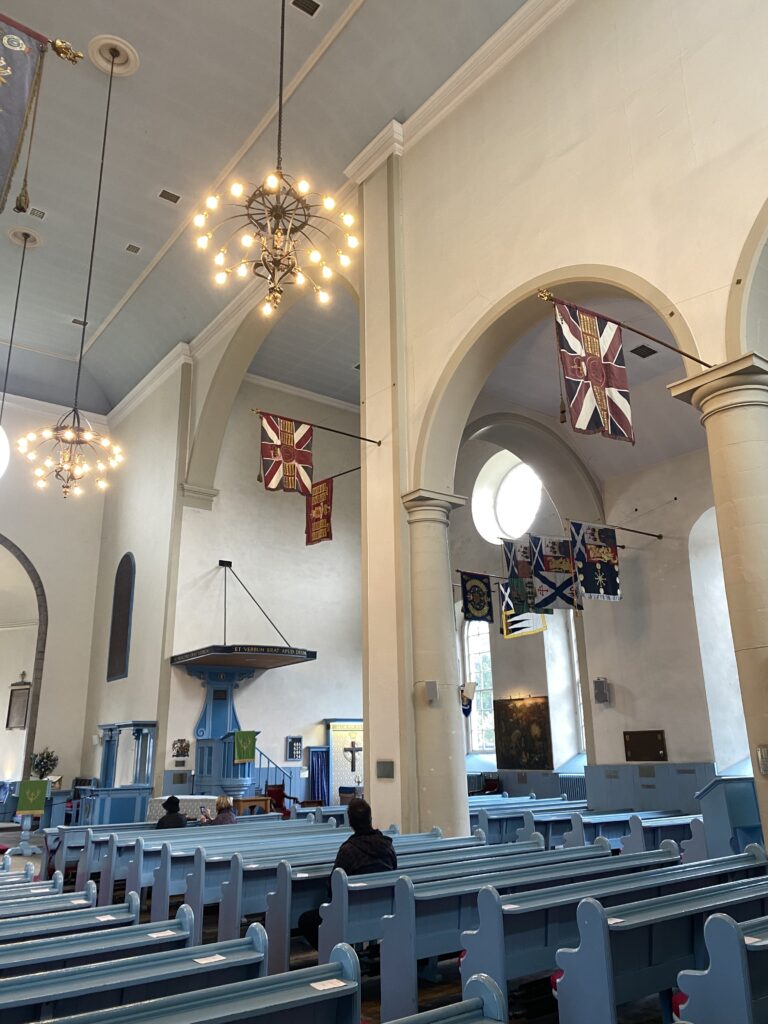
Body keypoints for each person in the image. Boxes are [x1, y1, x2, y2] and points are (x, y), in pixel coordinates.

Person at [298, 797, 396, 949]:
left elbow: (333, 889)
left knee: (306, 920)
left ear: (350, 822)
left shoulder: (348, 850)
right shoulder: (387, 846)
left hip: (352, 915)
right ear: (370, 818)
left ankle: (336, 956)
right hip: (385, 911)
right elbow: (394, 874)